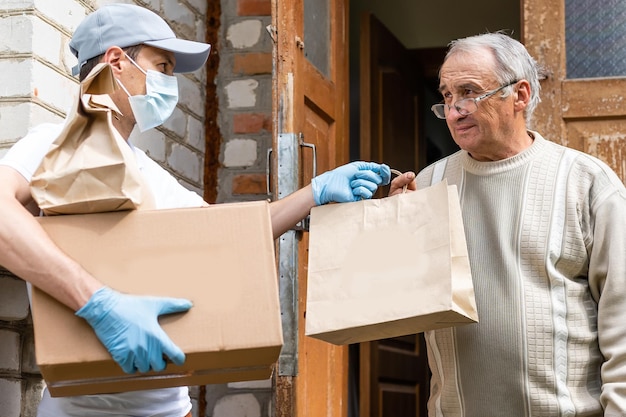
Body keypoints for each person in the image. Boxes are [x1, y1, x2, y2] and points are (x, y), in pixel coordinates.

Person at [0, 4, 392, 417]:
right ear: (117, 61)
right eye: (163, 66)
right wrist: (98, 303)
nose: (172, 83)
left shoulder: (152, 173)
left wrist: (314, 192)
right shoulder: (53, 146)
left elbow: (228, 237)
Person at [391, 32, 626, 416]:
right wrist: (395, 232)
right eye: (447, 95)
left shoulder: (586, 182)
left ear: (519, 95)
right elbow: (397, 309)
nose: (454, 110)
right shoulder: (427, 185)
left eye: (468, 92)